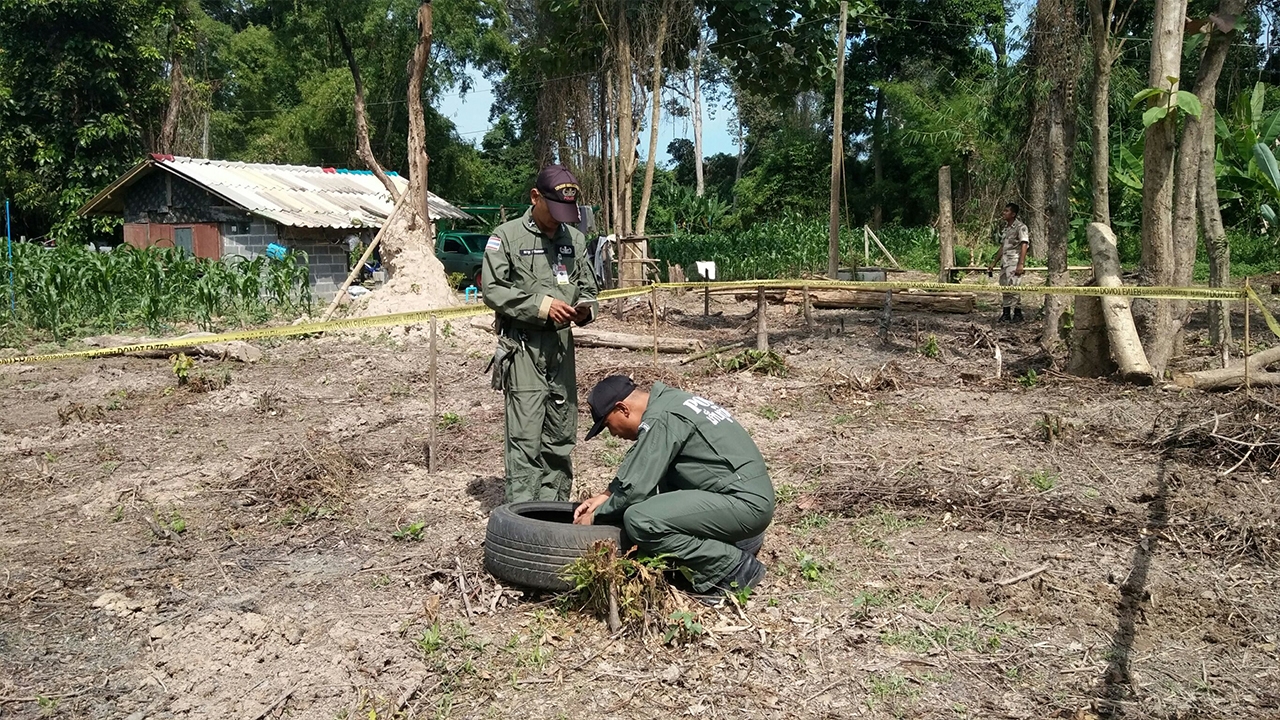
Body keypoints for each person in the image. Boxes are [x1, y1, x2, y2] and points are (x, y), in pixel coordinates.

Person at [572, 376, 775, 603]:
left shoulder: (662, 418)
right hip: (745, 496)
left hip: (744, 504)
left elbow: (635, 490)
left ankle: (734, 569)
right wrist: (607, 495)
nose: (613, 434)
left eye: (608, 425)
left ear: (623, 409)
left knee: (641, 519)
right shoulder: (670, 402)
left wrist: (595, 518)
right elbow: (643, 468)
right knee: (657, 499)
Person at [483, 166, 599, 503]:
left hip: (561, 347)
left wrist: (585, 310)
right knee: (526, 434)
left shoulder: (573, 239)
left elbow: (590, 290)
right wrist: (540, 305)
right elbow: (493, 289)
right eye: (554, 210)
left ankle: (555, 507)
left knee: (561, 430)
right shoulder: (505, 237)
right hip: (523, 347)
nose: (559, 221)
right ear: (535, 197)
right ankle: (525, 514)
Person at [986, 203, 1029, 323]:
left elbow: (1024, 244)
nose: (1004, 213)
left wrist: (1021, 264)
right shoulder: (1006, 228)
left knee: (1014, 287)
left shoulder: (1021, 227)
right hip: (1005, 262)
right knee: (1004, 286)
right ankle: (1006, 313)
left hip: (1014, 261)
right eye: (1004, 211)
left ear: (1013, 214)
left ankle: (1017, 313)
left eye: (1006, 211)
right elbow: (1003, 246)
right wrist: (994, 262)